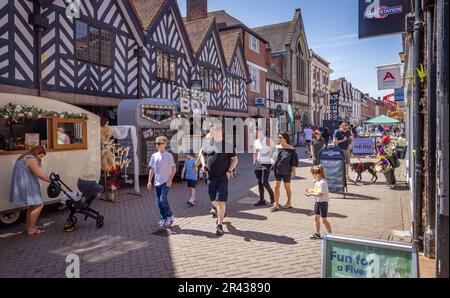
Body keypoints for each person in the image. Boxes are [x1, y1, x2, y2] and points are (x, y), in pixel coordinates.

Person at [200, 124, 238, 237]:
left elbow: (235, 160)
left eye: (212, 131)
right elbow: (202, 155)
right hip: (210, 176)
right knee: (213, 199)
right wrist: (203, 164)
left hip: (223, 176)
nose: (210, 133)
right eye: (210, 131)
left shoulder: (227, 145)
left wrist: (229, 171)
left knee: (221, 201)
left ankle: (219, 224)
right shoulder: (208, 144)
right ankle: (221, 211)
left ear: (219, 132)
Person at [9, 146, 51, 235]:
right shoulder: (31, 159)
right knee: (39, 205)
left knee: (32, 206)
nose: (41, 158)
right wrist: (50, 180)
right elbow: (38, 173)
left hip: (25, 183)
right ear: (38, 153)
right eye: (41, 156)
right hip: (28, 184)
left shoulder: (24, 156)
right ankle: (31, 229)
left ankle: (30, 227)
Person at [147, 136, 177, 229]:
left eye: (159, 143)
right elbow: (152, 170)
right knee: (159, 202)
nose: (157, 145)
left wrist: (170, 180)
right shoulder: (154, 156)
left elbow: (174, 169)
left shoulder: (169, 156)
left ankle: (170, 216)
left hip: (165, 182)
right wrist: (149, 181)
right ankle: (163, 218)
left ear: (165, 144)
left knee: (162, 200)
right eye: (156, 143)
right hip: (157, 183)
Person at [271, 132, 299, 212]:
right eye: (278, 137)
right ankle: (276, 204)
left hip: (287, 170)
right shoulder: (276, 147)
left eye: (280, 137)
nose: (278, 139)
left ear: (285, 138)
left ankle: (289, 202)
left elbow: (294, 161)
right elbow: (273, 157)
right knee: (276, 186)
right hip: (278, 170)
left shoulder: (291, 148)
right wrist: (272, 161)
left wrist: (293, 170)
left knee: (287, 187)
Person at [305, 165, 333, 240]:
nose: (314, 175)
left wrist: (310, 194)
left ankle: (331, 235)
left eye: (315, 173)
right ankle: (317, 233)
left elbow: (320, 194)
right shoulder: (317, 180)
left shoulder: (322, 182)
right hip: (317, 202)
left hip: (323, 203)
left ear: (320, 173)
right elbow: (316, 190)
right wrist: (310, 190)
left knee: (324, 220)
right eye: (313, 173)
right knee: (316, 218)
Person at [253, 128, 276, 207]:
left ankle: (272, 198)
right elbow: (255, 152)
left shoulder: (268, 140)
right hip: (258, 163)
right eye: (256, 133)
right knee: (259, 182)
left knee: (264, 181)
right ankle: (262, 200)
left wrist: (272, 159)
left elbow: (274, 150)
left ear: (262, 132)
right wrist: (254, 161)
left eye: (259, 132)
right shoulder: (256, 141)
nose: (258, 134)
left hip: (267, 162)